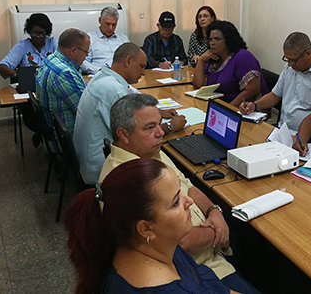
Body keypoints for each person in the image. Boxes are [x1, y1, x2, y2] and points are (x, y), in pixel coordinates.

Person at [98, 94, 258, 293]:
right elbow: (183, 243)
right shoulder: (127, 182)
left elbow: (188, 185)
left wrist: (214, 211)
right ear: (123, 134)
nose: (160, 133)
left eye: (159, 124)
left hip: (204, 250)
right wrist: (217, 231)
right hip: (199, 264)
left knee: (249, 233)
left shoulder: (150, 152)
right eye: (149, 127)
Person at [65, 158, 232, 293]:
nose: (189, 201)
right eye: (175, 202)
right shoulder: (164, 286)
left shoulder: (157, 245)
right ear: (145, 228)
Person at [73, 43, 186, 184]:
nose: (144, 72)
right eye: (142, 66)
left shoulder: (102, 76)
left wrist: (157, 112)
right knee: (173, 166)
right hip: (101, 169)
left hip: (87, 159)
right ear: (128, 61)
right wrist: (171, 126)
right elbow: (134, 137)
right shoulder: (114, 89)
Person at [239, 32, 311, 131]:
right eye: (286, 59)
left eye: (292, 60)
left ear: (308, 54)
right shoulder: (290, 68)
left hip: (308, 137)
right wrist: (254, 105)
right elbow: (274, 96)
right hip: (282, 129)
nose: (289, 64)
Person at [193, 20, 268, 107]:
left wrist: (227, 109)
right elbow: (198, 85)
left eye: (217, 39)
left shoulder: (243, 57)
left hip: (244, 110)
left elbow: (252, 91)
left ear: (228, 40)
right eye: (210, 39)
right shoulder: (214, 57)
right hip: (219, 105)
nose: (212, 43)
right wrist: (202, 60)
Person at [36, 28, 89, 142]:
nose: (86, 57)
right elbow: (86, 112)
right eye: (86, 52)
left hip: (55, 134)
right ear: (73, 50)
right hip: (68, 139)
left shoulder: (50, 59)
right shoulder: (64, 74)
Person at [0, 13, 57, 79]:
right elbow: (1, 67)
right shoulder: (22, 46)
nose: (38, 36)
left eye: (41, 33)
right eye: (35, 33)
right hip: (30, 86)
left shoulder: (54, 44)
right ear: (29, 32)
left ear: (47, 32)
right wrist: (18, 75)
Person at [80, 6, 129, 75]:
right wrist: (99, 70)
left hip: (122, 76)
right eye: (107, 24)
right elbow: (82, 62)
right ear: (100, 20)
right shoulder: (89, 39)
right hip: (99, 75)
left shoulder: (123, 39)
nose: (110, 28)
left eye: (114, 25)